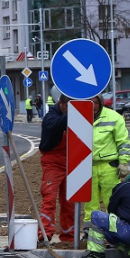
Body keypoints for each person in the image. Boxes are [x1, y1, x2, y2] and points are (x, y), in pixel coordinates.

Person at [83, 95, 130, 226]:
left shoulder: (114, 117)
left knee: (112, 201)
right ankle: (90, 231)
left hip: (109, 166)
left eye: (95, 103)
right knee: (90, 202)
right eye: (89, 103)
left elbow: (123, 142)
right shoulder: (79, 117)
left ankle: (114, 230)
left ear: (101, 103)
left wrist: (123, 162)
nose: (93, 106)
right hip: (87, 166)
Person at [38, 93, 75, 244]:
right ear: (60, 103)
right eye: (67, 107)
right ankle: (44, 234)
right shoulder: (50, 117)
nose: (68, 110)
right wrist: (73, 113)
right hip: (53, 163)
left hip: (72, 163)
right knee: (49, 199)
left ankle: (69, 236)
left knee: (70, 202)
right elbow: (55, 125)